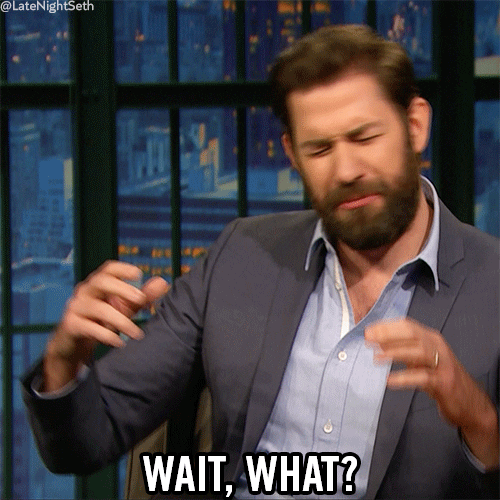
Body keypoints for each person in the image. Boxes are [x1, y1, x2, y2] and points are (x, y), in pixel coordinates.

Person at [23, 25, 498, 499]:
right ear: (292, 154)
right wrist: (64, 360)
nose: (346, 171)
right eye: (320, 149)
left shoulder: (492, 284)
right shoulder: (242, 256)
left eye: (364, 137)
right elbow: (86, 441)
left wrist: (481, 422)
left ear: (415, 126)